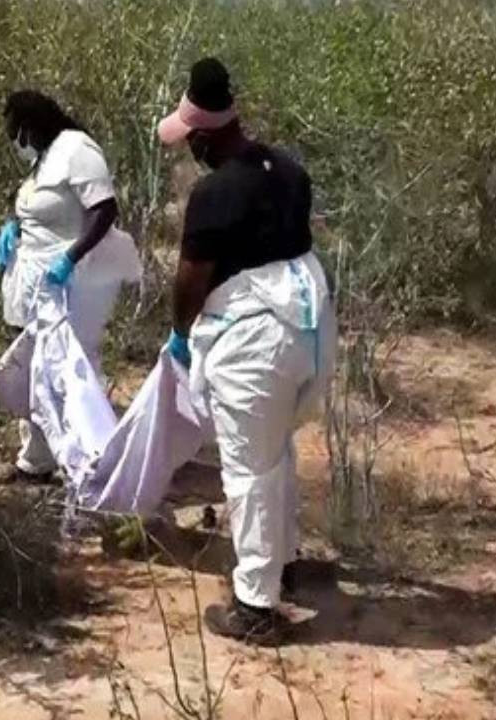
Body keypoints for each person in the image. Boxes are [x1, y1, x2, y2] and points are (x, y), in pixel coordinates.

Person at [157, 58, 337, 643]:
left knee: (248, 470)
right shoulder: (288, 171)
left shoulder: (214, 194)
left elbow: (191, 279)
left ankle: (255, 606)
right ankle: (283, 564)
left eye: (190, 140)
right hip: (309, 327)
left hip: (257, 340)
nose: (190, 150)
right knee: (274, 453)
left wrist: (180, 332)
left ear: (205, 138)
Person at [0, 90, 140, 484]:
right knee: (32, 368)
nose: (17, 143)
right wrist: (14, 228)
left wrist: (69, 259)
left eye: (17, 133)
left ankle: (94, 463)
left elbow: (104, 210)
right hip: (31, 283)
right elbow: (43, 211)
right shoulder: (43, 160)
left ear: (32, 125)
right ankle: (36, 460)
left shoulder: (77, 150)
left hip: (68, 283)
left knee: (70, 371)